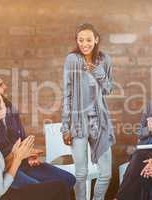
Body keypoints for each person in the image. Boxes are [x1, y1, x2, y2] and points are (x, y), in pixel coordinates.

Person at [0, 74, 76, 190]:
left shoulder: (9, 108)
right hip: (4, 171)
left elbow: (21, 138)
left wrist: (29, 156)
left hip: (23, 164)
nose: (5, 87)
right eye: (0, 85)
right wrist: (17, 155)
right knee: (42, 189)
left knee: (68, 179)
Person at [61, 23, 115, 200]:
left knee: (106, 174)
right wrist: (65, 126)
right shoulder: (72, 60)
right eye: (81, 40)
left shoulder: (105, 60)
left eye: (89, 40)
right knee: (81, 173)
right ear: (77, 41)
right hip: (78, 122)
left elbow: (108, 89)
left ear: (96, 39)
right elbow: (67, 93)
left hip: (100, 122)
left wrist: (98, 72)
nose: (85, 44)